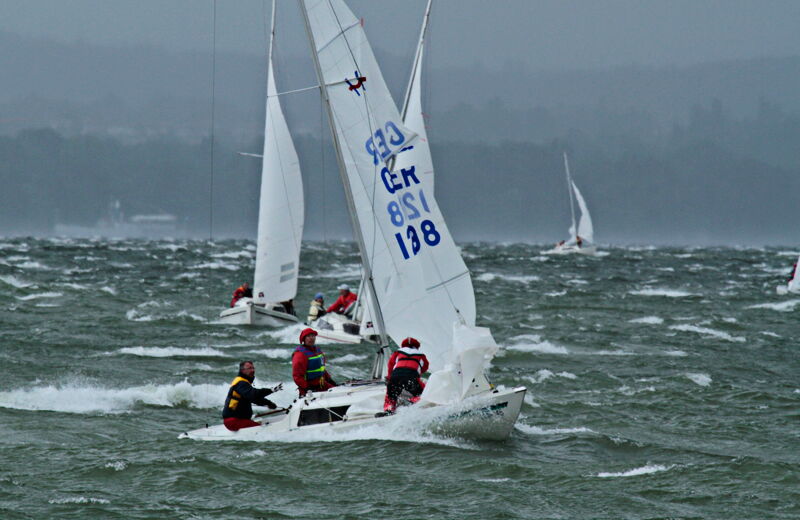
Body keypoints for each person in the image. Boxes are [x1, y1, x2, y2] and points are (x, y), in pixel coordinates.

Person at [222, 360, 281, 431]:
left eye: (253, 368)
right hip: (234, 421)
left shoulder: (244, 383)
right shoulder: (240, 383)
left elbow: (255, 399)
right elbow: (253, 394)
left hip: (239, 420)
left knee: (260, 427)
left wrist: (269, 403)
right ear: (243, 370)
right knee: (262, 430)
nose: (253, 370)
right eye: (249, 368)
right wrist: (271, 390)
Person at [384, 337, 430, 413]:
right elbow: (425, 367)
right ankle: (411, 401)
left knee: (391, 394)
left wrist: (389, 377)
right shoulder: (421, 355)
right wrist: (418, 373)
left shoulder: (397, 352)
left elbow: (390, 365)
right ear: (417, 346)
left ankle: (389, 409)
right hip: (411, 376)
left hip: (395, 376)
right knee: (424, 393)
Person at [292, 328, 337, 396]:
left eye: (313, 336)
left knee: (338, 391)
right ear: (303, 339)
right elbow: (297, 377)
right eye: (308, 336)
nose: (311, 338)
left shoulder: (317, 350)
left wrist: (330, 380)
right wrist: (307, 388)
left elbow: (321, 369)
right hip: (309, 389)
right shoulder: (300, 355)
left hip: (322, 385)